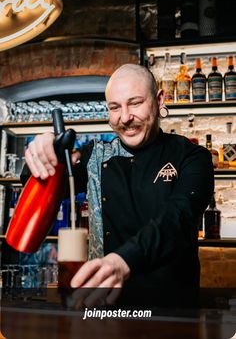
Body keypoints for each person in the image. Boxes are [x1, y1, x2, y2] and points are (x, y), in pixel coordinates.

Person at [24, 64, 214, 309]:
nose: (125, 118)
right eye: (115, 107)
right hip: (104, 308)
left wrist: (123, 261)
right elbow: (41, 186)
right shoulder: (95, 156)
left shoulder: (192, 156)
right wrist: (41, 154)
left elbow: (178, 218)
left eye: (135, 103)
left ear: (159, 100)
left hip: (171, 311)